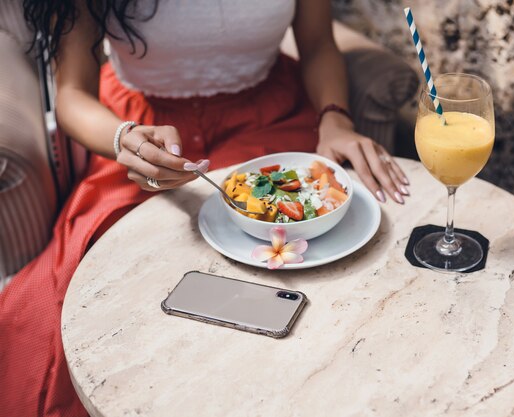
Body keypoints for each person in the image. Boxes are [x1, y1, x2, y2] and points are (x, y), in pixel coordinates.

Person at [0, 1, 411, 416]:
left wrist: (335, 118)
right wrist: (125, 140)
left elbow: (319, 44)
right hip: (143, 129)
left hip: (269, 119)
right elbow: (71, 94)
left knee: (305, 289)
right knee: (67, 302)